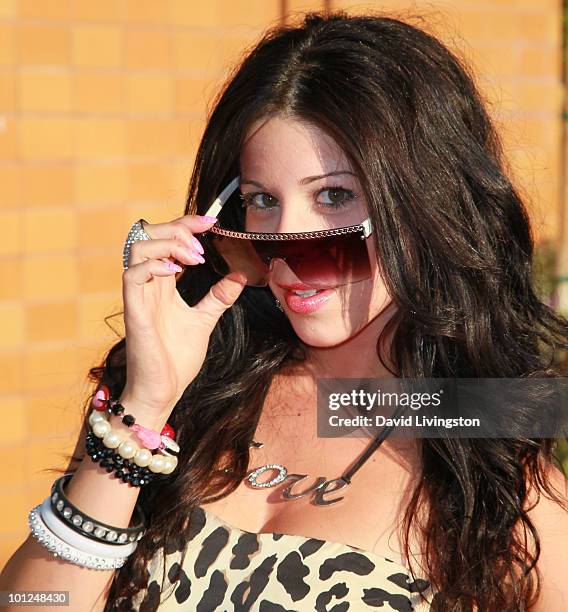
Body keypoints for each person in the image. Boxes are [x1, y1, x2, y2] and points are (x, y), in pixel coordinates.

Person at [2, 10, 568, 611]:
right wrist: (143, 406)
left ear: (428, 206)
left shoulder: (478, 449)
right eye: (262, 201)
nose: (288, 242)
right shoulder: (191, 393)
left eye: (334, 196)